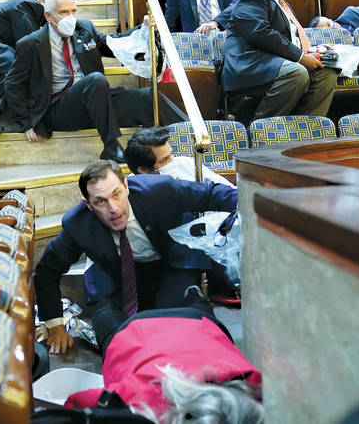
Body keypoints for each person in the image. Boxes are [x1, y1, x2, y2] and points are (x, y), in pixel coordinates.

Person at [34, 159, 238, 354]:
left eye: (116, 194)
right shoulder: (77, 224)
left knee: (181, 323)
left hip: (169, 264)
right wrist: (55, 326)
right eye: (100, 202)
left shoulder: (159, 190)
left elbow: (210, 194)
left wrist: (252, 208)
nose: (113, 209)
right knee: (113, 333)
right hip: (115, 275)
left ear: (126, 187)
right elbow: (47, 270)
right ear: (88, 204)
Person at [4, 0, 186, 163]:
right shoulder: (30, 44)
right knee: (96, 80)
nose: (70, 17)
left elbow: (114, 44)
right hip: (60, 108)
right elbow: (13, 84)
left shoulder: (85, 29)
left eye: (73, 11)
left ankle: (190, 136)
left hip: (97, 102)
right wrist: (26, 122)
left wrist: (142, 28)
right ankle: (111, 146)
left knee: (148, 97)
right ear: (48, 16)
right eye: (63, 12)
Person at [64, 305, 263, 423]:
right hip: (136, 332)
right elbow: (75, 404)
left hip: (202, 326)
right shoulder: (140, 399)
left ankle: (196, 298)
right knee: (105, 316)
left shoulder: (262, 391)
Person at [220, 0, 337, 120]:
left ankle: (305, 127)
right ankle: (262, 127)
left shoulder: (283, 3)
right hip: (251, 64)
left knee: (326, 72)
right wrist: (300, 57)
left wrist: (314, 50)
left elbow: (289, 40)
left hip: (277, 62)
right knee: (296, 72)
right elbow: (260, 33)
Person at [124, 126, 235, 188]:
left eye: (171, 155)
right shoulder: (132, 189)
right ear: (143, 170)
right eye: (164, 160)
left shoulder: (186, 163)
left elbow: (228, 189)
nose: (172, 162)